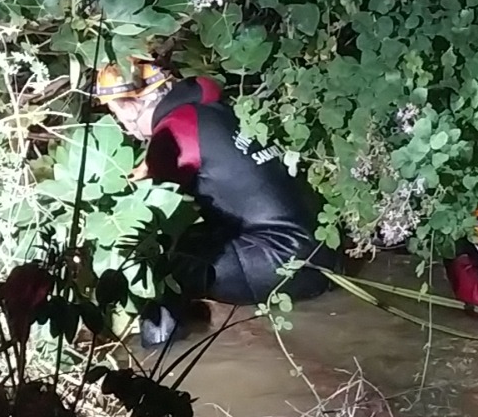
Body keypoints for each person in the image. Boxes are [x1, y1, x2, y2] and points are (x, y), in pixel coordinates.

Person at [93, 57, 337, 349]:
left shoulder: (173, 133)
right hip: (324, 251)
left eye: (115, 111)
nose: (120, 122)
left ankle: (158, 356)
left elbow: (147, 209)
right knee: (195, 240)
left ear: (128, 104)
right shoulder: (213, 111)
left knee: (154, 259)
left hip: (280, 262)